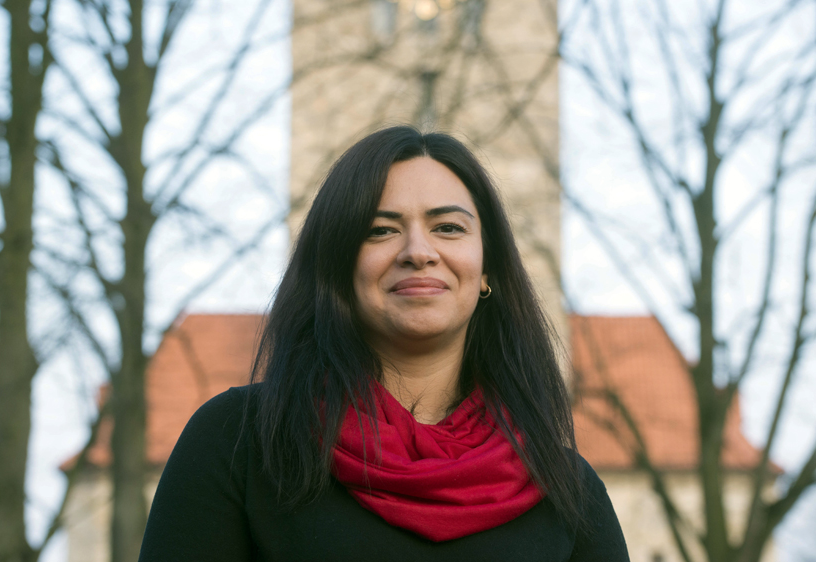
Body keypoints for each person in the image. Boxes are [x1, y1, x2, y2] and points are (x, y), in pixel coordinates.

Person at [138, 126, 630, 561]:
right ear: (338, 268)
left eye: (448, 228)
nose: (418, 251)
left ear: (487, 270)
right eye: (380, 230)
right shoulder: (238, 444)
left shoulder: (567, 491)